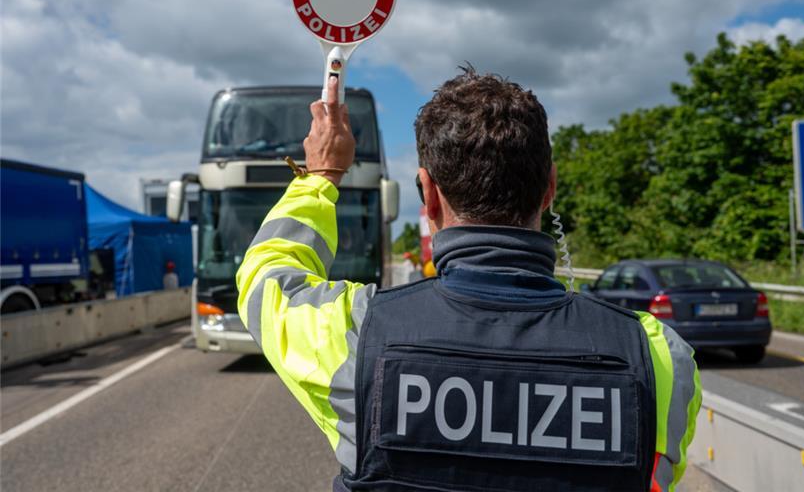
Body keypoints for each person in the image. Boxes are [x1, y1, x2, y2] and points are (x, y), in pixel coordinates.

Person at [236, 71, 701, 491]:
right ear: (550, 189)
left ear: (428, 193)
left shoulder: (359, 335)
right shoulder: (659, 357)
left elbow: (265, 281)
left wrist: (319, 177)